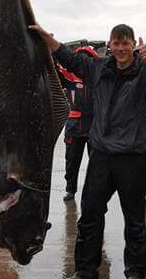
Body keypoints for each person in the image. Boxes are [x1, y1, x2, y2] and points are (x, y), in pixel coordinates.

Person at [30, 22, 146, 279]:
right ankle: (85, 269)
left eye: (125, 43)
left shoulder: (144, 70)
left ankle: (135, 272)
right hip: (102, 155)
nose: (121, 48)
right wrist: (45, 37)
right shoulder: (98, 67)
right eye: (116, 43)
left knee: (135, 220)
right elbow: (69, 59)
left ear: (133, 45)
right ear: (110, 45)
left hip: (134, 156)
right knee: (90, 215)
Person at [57, 45, 99, 202]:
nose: (84, 59)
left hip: (95, 127)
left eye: (88, 56)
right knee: (71, 161)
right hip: (74, 127)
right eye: (81, 55)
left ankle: (94, 190)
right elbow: (55, 67)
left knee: (96, 163)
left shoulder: (99, 76)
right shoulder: (69, 75)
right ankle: (70, 189)